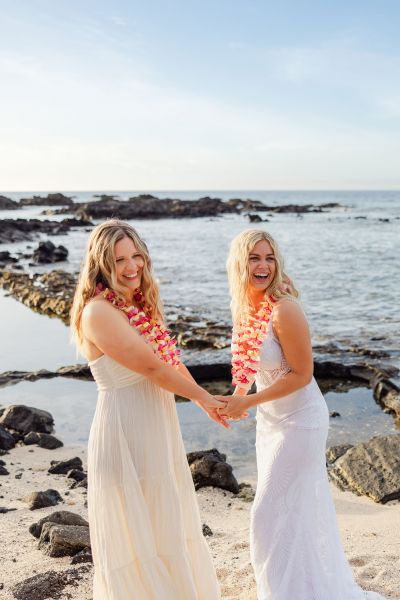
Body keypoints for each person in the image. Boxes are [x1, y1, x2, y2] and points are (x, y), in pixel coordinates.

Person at [219, 229, 385, 600]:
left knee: (267, 512)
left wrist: (248, 402)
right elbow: (248, 365)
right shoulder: (247, 307)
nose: (263, 266)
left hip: (301, 421)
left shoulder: (284, 308)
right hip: (271, 421)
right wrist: (236, 398)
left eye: (270, 258)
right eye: (254, 258)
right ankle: (294, 587)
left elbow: (302, 373)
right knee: (289, 511)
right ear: (239, 264)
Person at [70, 219, 226, 599]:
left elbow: (170, 359)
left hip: (156, 424)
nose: (131, 267)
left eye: (136, 256)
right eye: (120, 259)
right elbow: (153, 368)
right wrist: (204, 398)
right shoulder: (98, 312)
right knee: (137, 532)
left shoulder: (138, 305)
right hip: (125, 429)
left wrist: (207, 400)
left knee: (164, 520)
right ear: (101, 264)